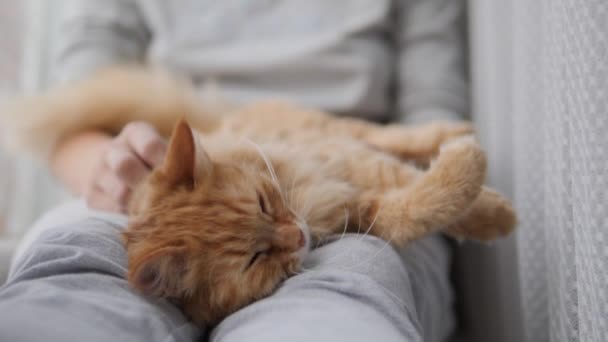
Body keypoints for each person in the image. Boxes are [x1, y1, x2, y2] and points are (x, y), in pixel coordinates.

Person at [0, 1, 468, 341]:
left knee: (352, 282)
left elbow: (437, 132)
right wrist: (110, 169)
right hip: (166, 182)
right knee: (77, 267)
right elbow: (64, 121)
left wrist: (391, 192)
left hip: (354, 179)